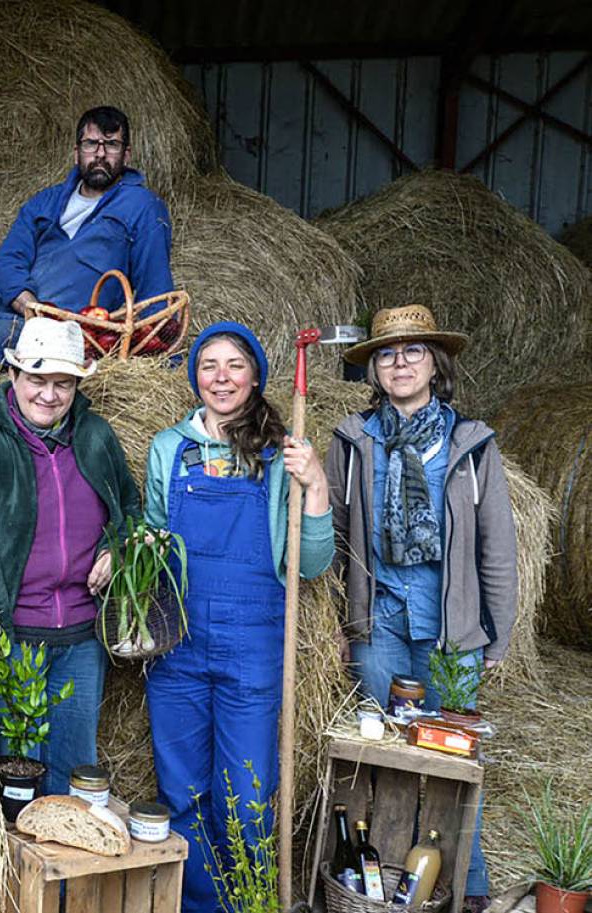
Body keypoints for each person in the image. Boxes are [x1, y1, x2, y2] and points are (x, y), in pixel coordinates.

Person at [328, 305, 515, 912]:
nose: (400, 362)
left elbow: (497, 548)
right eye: (386, 353)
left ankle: (468, 888)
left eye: (413, 351)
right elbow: (331, 538)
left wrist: (495, 636)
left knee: (452, 758)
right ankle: (380, 887)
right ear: (373, 370)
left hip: (451, 630)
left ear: (435, 363)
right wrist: (337, 623)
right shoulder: (354, 442)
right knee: (380, 755)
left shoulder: (470, 444)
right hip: (377, 621)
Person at [142, 322, 333, 913]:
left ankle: (248, 904)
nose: (221, 377)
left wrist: (317, 484)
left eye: (234, 365)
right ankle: (202, 905)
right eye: (208, 365)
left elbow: (311, 564)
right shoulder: (168, 448)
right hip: (177, 645)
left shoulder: (280, 453)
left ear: (255, 377)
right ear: (195, 376)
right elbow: (153, 539)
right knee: (182, 794)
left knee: (247, 794)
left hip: (252, 646)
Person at [0, 316, 140, 796]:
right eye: (37, 380)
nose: (49, 395)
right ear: (13, 376)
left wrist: (117, 547)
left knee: (72, 781)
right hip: (11, 638)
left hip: (81, 640)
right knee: (10, 787)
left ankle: (66, 873)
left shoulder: (94, 435)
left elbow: (129, 507)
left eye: (62, 384)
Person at [0, 106, 174, 378]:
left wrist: (162, 360)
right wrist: (33, 310)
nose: (100, 154)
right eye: (91, 144)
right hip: (15, 319)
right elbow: (7, 263)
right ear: (77, 152)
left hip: (77, 333)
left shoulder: (143, 207)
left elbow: (155, 286)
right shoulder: (45, 201)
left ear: (126, 155)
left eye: (111, 144)